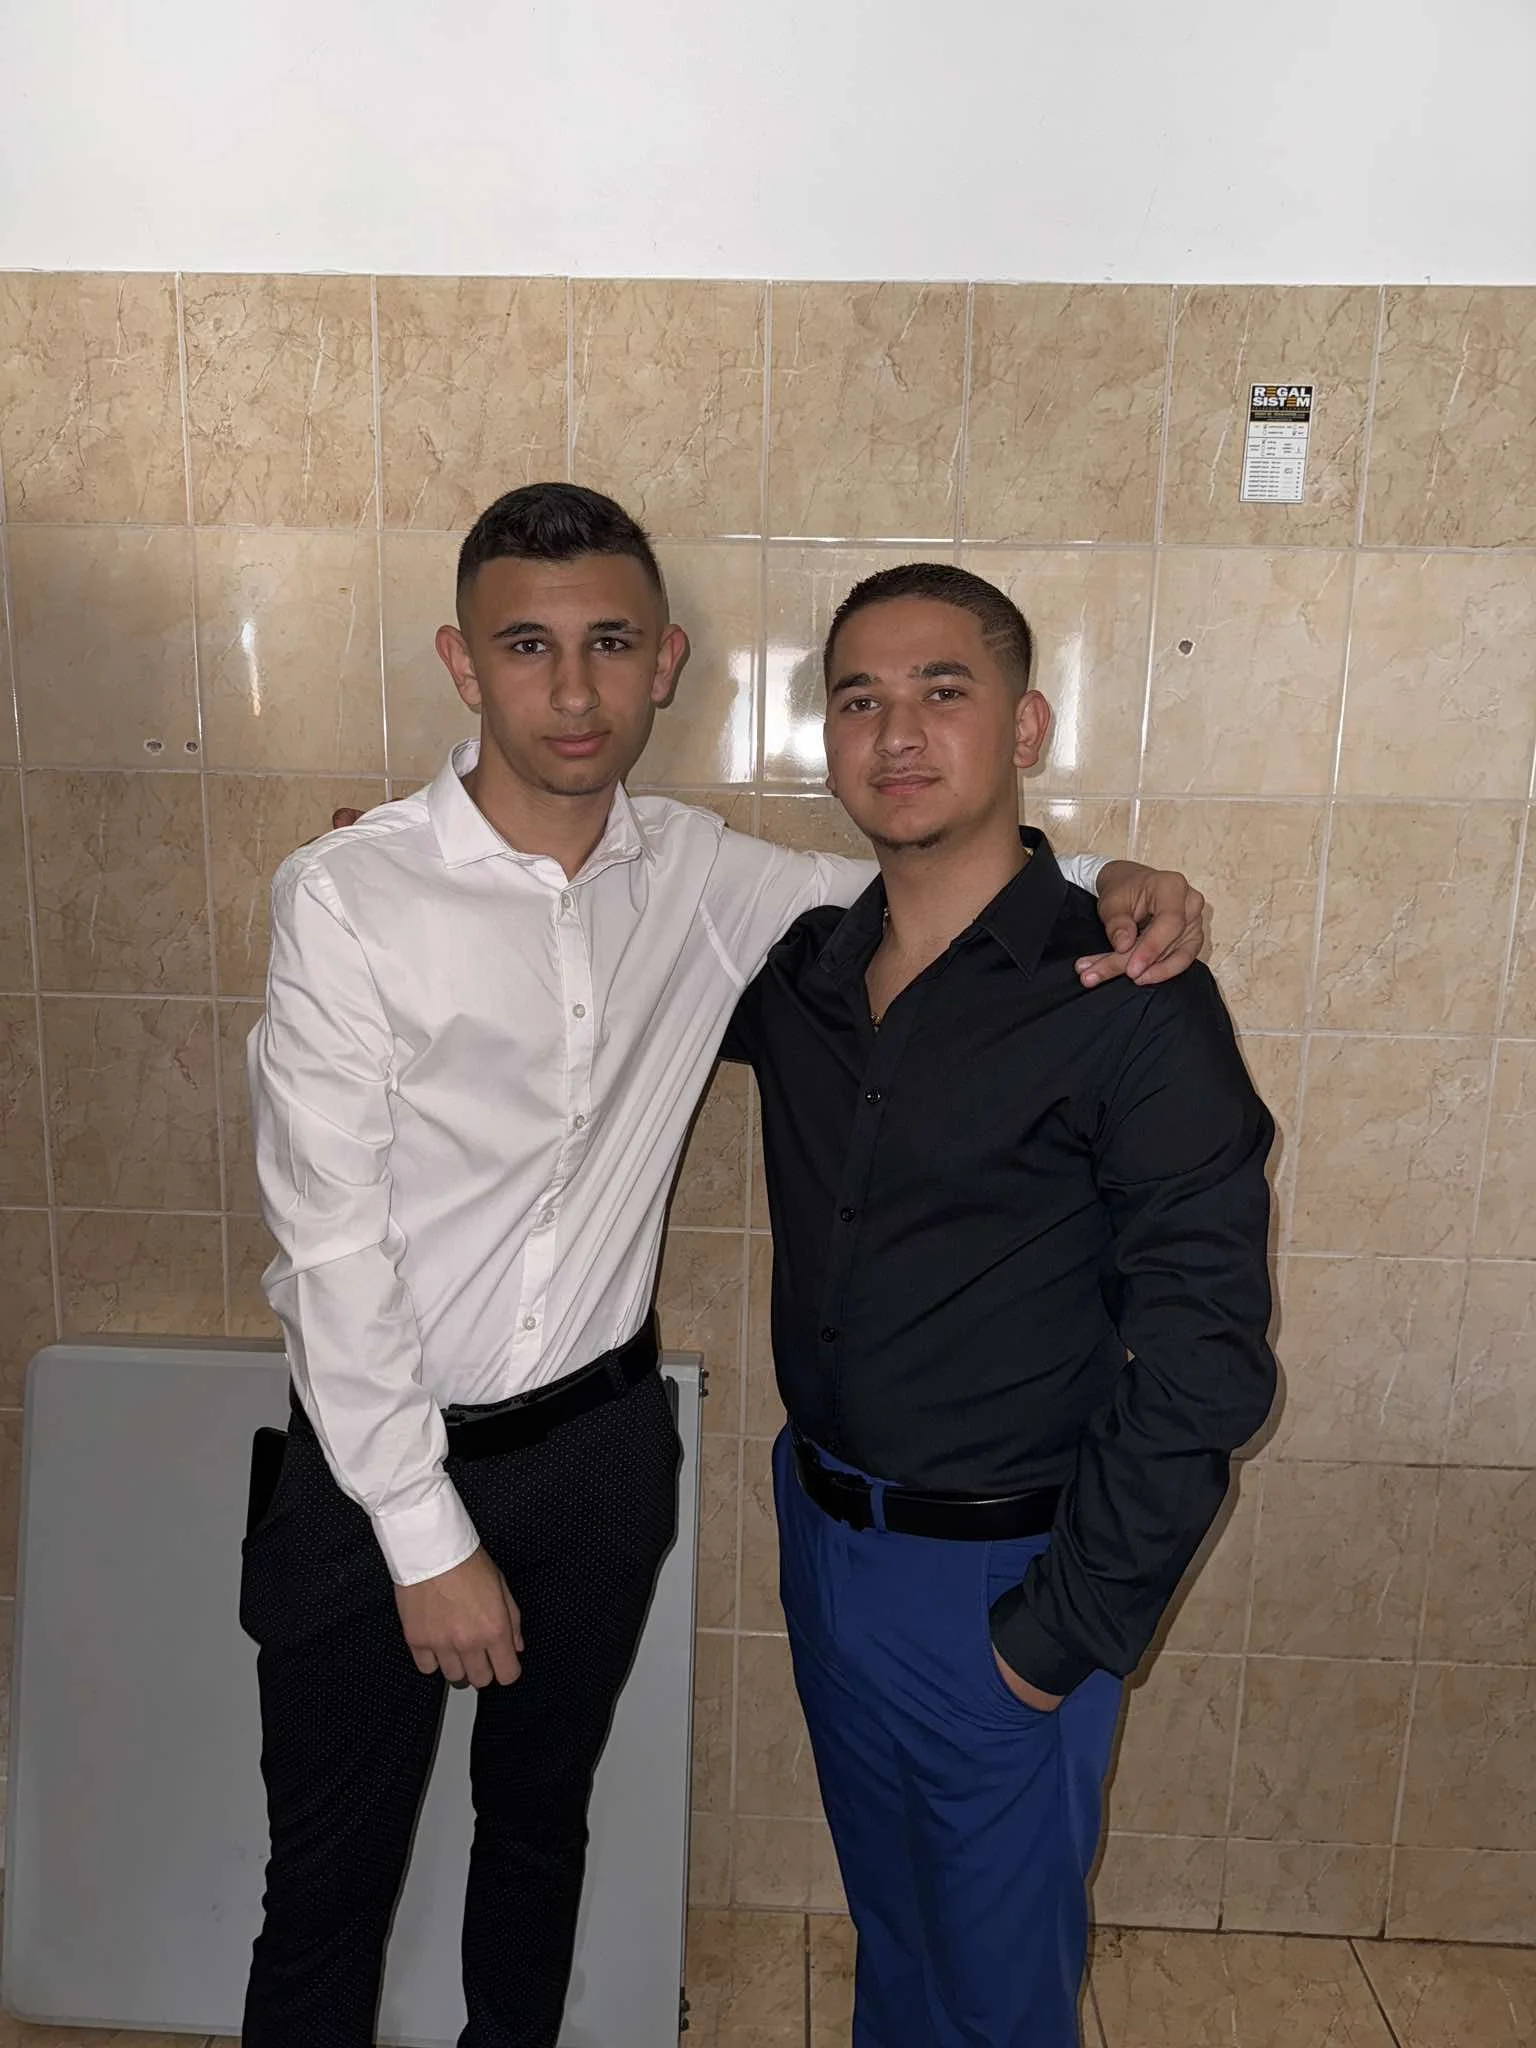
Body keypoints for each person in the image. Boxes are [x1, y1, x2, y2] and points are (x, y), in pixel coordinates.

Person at [241, 484, 1210, 2048]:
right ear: (462, 662)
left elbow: (938, 889)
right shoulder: (351, 895)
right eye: (528, 646)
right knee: (326, 1886)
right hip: (372, 1470)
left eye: (611, 644)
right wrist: (422, 1536)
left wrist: (1113, 876)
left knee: (538, 1836)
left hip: (598, 1454)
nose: (573, 690)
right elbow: (328, 1245)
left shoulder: (705, 880)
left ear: (667, 663)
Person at [722, 562, 1277, 2048]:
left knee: (997, 1996)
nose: (897, 732)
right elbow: (588, 943)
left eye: (943, 691)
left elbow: (1207, 1357)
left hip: (1005, 1583)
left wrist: (1059, 1633)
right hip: (825, 1544)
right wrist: (427, 876)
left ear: (1025, 725)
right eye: (860, 700)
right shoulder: (801, 976)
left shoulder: (1129, 994)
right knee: (895, 1942)